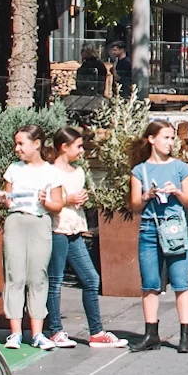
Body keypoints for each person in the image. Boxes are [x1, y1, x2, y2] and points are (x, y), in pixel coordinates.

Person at [45, 126, 123, 348]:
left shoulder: (78, 172)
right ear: (64, 147)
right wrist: (69, 199)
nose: (81, 150)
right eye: (78, 146)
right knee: (56, 281)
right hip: (57, 229)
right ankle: (55, 330)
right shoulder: (50, 173)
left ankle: (96, 332)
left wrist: (81, 199)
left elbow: (76, 199)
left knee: (91, 279)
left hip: (75, 229)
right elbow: (49, 203)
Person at [0, 125, 58, 349]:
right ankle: (15, 333)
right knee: (14, 276)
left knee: (37, 277)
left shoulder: (50, 171)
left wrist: (46, 200)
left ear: (36, 144)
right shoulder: (14, 169)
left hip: (39, 222)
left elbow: (56, 205)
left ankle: (37, 333)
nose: (17, 148)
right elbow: (9, 199)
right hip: (16, 222)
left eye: (21, 144)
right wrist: (1, 199)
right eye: (16, 144)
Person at [129, 119, 188, 352]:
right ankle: (151, 333)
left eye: (171, 138)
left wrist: (176, 191)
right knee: (150, 284)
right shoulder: (140, 170)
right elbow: (135, 205)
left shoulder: (180, 167)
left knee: (180, 283)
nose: (170, 142)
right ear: (151, 139)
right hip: (149, 227)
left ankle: (185, 335)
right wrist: (147, 195)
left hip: (174, 227)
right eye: (165, 137)